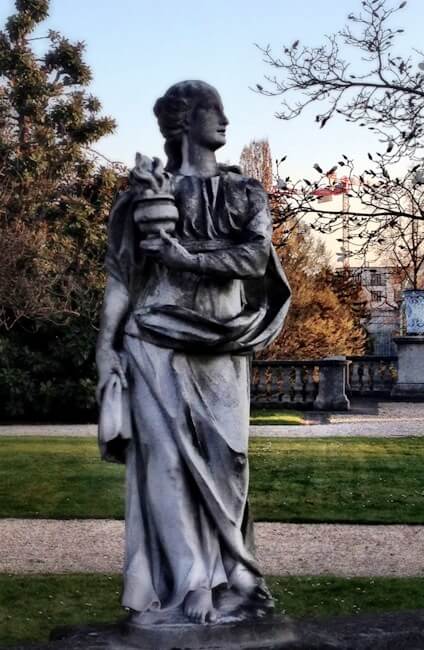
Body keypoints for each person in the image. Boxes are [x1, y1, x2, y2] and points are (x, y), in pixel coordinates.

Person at [95, 80, 290, 625]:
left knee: (229, 462)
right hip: (152, 335)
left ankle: (238, 573)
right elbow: (121, 276)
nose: (225, 120)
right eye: (214, 110)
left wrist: (186, 259)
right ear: (184, 122)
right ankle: (189, 582)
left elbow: (255, 259)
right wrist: (104, 347)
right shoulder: (145, 195)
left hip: (222, 338)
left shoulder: (245, 191)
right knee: (166, 467)